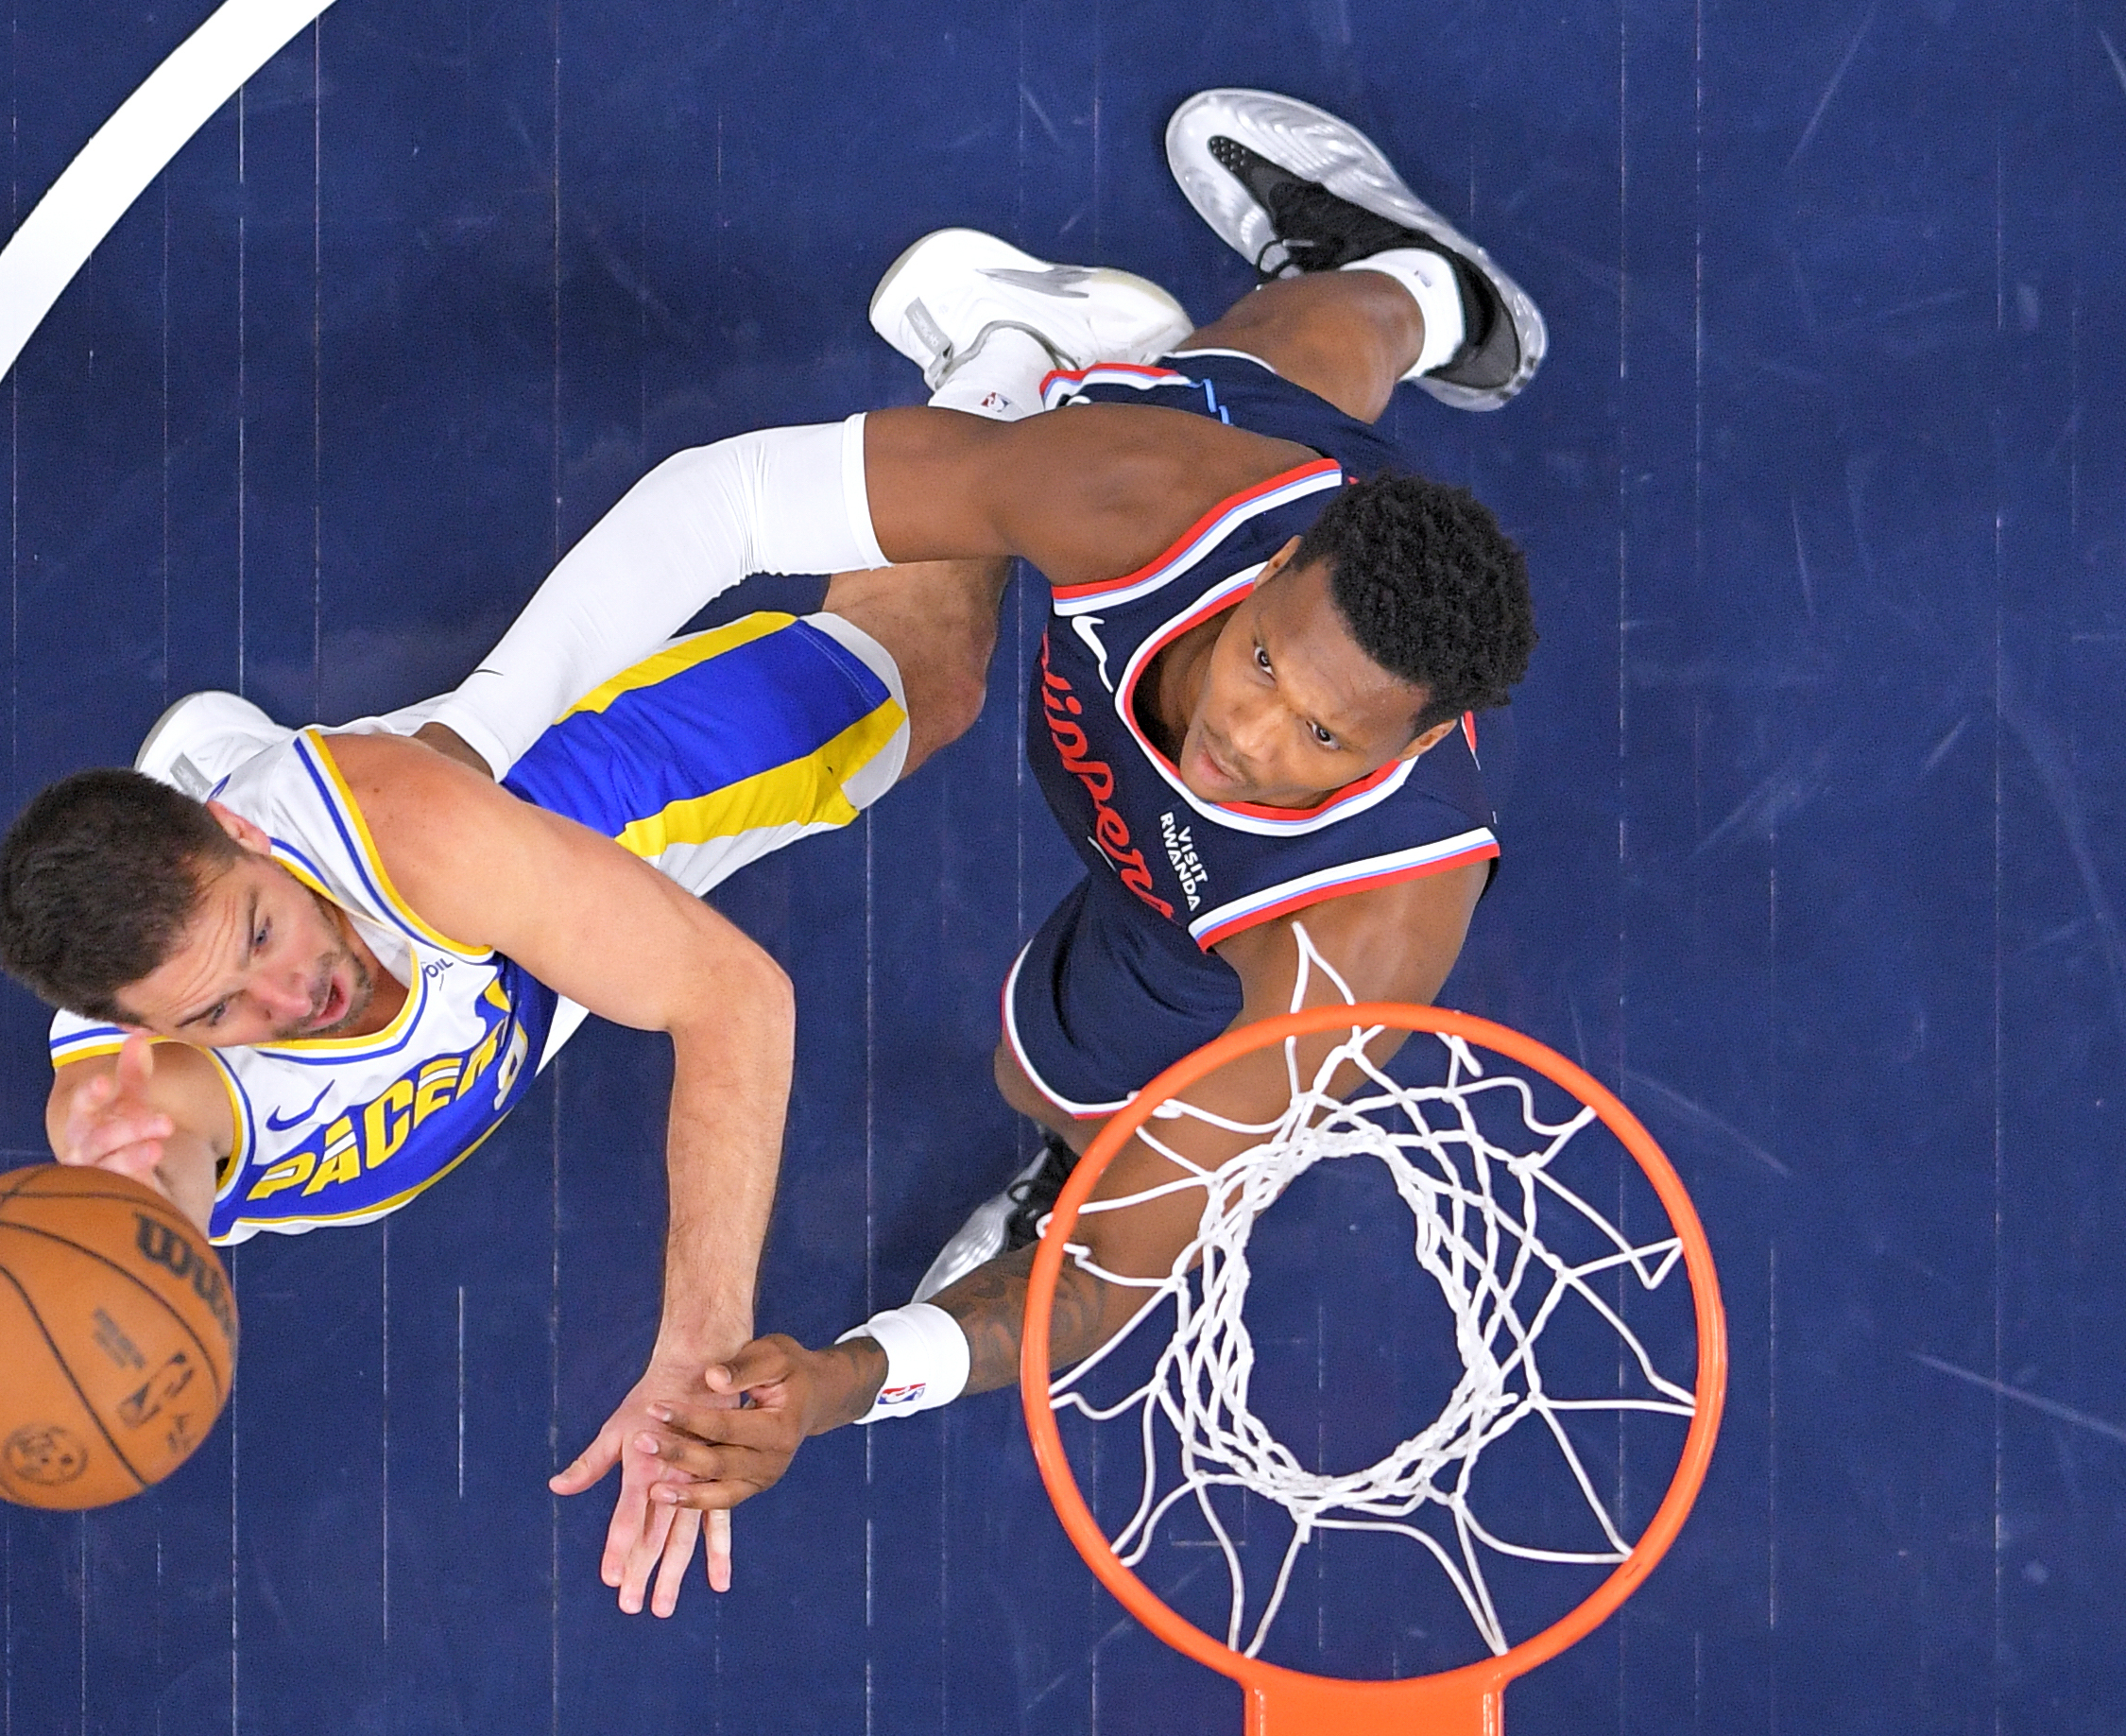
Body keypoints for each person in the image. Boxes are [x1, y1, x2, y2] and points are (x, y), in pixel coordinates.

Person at [454, 89, 1543, 1599]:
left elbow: (1101, 1285)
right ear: (1277, 557)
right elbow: (736, 500)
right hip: (1200, 465)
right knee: (1279, 353)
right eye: (1267, 667)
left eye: (1325, 739)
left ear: (1415, 751)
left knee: (1049, 1084)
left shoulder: (1348, 946)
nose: (1253, 730)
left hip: (1194, 918)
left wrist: (837, 1381)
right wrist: (482, 725)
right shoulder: (1153, 488)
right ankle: (1425, 285)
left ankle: (1164, 335)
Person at [0, 563, 1016, 1616]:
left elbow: (732, 997)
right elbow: (158, 1173)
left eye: (255, 932)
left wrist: (698, 1342)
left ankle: (991, 399)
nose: (294, 998)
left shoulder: (424, 832)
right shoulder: (150, 1100)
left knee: (914, 688)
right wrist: (127, 1228)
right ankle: (235, 794)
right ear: (144, 1031)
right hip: (475, 985)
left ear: (250, 848)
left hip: (531, 837)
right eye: (213, 1007)